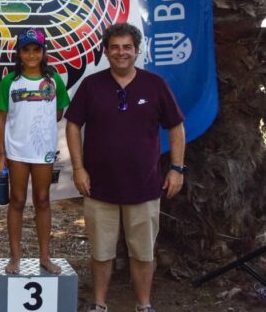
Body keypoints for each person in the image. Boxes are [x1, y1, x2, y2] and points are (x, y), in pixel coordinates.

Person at [65, 23, 186, 312]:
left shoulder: (155, 85)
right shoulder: (91, 85)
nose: (121, 53)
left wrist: (177, 168)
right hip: (98, 186)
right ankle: (99, 304)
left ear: (137, 50)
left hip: (145, 186)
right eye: (115, 47)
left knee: (143, 253)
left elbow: (176, 127)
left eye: (127, 47)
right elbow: (72, 125)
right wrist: (78, 169)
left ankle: (144, 305)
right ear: (106, 51)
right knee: (101, 252)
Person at [0, 27, 69, 275]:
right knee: (17, 200)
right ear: (19, 53)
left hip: (43, 152)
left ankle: (44, 257)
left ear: (44, 52)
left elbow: (59, 112)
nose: (32, 55)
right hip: (16, 152)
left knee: (43, 200)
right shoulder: (10, 81)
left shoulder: (54, 80)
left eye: (37, 49)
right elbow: (0, 119)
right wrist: (1, 153)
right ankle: (15, 257)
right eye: (26, 50)